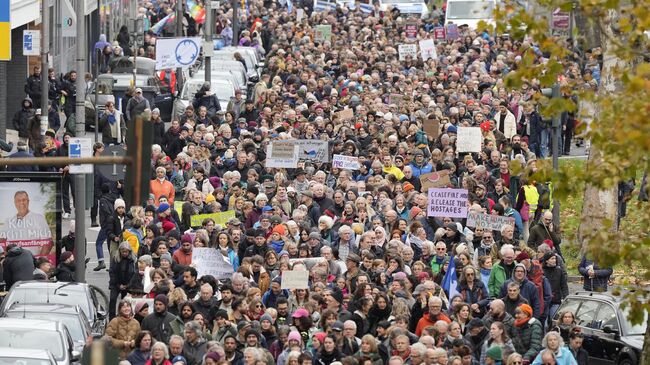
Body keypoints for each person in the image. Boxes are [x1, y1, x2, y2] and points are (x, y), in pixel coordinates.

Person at [109, 242, 137, 319]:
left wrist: (128, 285)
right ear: (120, 251)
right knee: (112, 299)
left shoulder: (133, 260)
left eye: (126, 251)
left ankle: (124, 316)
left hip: (128, 284)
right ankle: (111, 317)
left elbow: (134, 274)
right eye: (123, 251)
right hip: (116, 283)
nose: (124, 253)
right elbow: (112, 273)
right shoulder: (115, 259)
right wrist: (118, 284)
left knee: (125, 302)